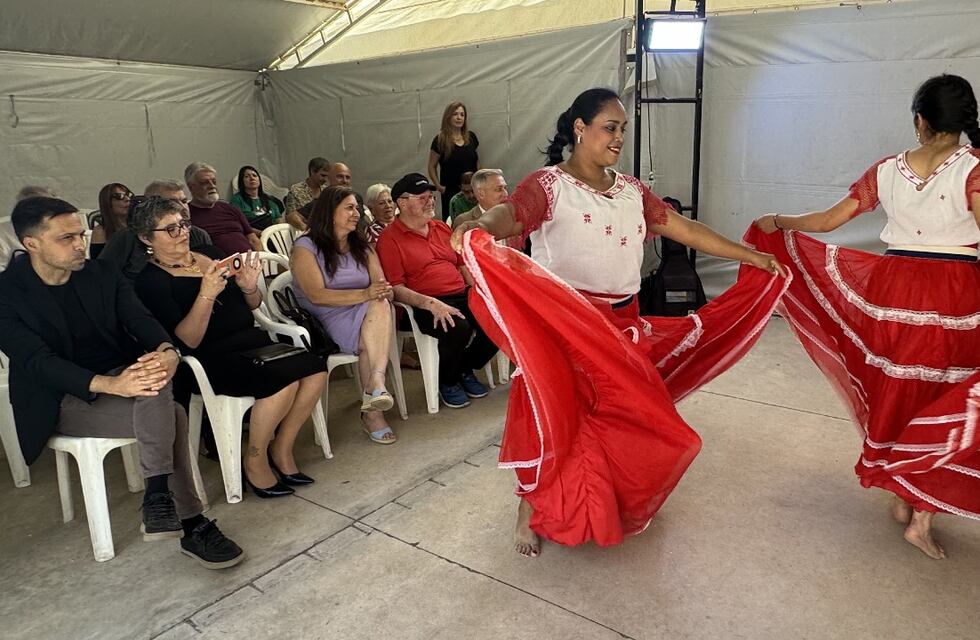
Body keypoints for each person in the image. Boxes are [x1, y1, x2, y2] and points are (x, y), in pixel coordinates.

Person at [451, 88, 786, 557]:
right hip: (567, 326)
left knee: (621, 421)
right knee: (556, 421)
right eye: (610, 127)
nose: (619, 137)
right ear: (580, 128)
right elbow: (511, 215)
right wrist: (483, 225)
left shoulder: (631, 190)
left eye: (623, 129)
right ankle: (528, 506)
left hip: (623, 324)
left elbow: (685, 229)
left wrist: (749, 255)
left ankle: (605, 500)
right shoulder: (549, 185)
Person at [748, 74, 980, 560]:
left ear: (919, 120)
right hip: (952, 294)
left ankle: (902, 492)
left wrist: (780, 221)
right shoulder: (973, 168)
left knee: (898, 389)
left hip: (893, 290)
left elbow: (828, 221)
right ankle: (921, 514)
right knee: (943, 396)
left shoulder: (888, 169)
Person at [0, 196, 243, 568]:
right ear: (31, 243)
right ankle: (189, 521)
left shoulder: (100, 272)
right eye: (66, 238)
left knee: (155, 374)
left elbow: (138, 318)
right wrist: (110, 385)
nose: (80, 245)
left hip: (121, 375)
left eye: (81, 235)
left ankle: (159, 499)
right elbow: (37, 362)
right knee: (173, 414)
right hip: (59, 396)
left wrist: (166, 349)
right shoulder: (7, 293)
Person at [131, 197, 327, 497]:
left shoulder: (210, 253)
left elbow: (252, 305)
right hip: (208, 358)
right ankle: (255, 460)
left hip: (251, 342)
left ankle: (281, 448)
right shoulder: (151, 281)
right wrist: (206, 294)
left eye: (184, 224)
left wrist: (249, 287)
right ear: (147, 238)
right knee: (282, 381)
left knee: (315, 369)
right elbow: (187, 340)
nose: (182, 233)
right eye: (170, 229)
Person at [377, 173, 498, 409]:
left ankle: (464, 367)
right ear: (402, 203)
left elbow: (462, 265)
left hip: (459, 294)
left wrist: (479, 291)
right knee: (457, 327)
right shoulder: (390, 239)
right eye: (421, 198)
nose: (430, 201)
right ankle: (448, 381)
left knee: (499, 317)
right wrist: (431, 304)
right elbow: (396, 288)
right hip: (421, 303)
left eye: (430, 197)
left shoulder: (441, 227)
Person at [291, 186, 398, 444]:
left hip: (365, 311)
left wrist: (382, 292)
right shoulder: (305, 247)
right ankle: (373, 405)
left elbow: (381, 286)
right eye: (349, 208)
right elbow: (316, 295)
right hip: (326, 318)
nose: (357, 214)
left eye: (357, 208)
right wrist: (366, 294)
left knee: (381, 306)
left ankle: (375, 385)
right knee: (372, 333)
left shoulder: (362, 247)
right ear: (330, 212)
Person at [99, 179, 213, 280]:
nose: (182, 207)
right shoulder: (124, 238)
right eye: (171, 203)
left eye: (184, 201)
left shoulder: (199, 235)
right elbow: (102, 276)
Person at [185, 162, 261, 256]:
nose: (212, 186)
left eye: (214, 181)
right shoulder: (186, 215)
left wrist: (263, 260)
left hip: (251, 260)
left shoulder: (230, 208)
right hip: (218, 263)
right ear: (191, 187)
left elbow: (253, 240)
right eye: (204, 182)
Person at [429, 102, 479, 220]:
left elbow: (477, 162)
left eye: (462, 114)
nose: (459, 117)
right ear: (448, 117)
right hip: (450, 191)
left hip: (472, 191)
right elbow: (431, 166)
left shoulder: (471, 137)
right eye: (455, 114)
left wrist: (479, 183)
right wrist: (439, 186)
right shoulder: (440, 140)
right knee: (453, 223)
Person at [230, 166, 283, 230]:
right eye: (247, 176)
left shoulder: (269, 200)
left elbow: (279, 219)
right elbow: (236, 223)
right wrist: (260, 233)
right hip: (250, 234)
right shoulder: (237, 199)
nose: (252, 178)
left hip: (272, 233)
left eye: (254, 175)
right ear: (242, 181)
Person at [285, 157, 331, 231]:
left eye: (327, 176)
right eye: (323, 175)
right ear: (312, 171)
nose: (325, 180)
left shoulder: (326, 191)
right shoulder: (296, 190)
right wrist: (307, 230)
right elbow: (289, 217)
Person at [89, 183, 133, 259]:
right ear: (108, 202)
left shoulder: (138, 226)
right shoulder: (101, 231)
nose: (127, 199)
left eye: (129, 195)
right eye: (120, 196)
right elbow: (98, 262)